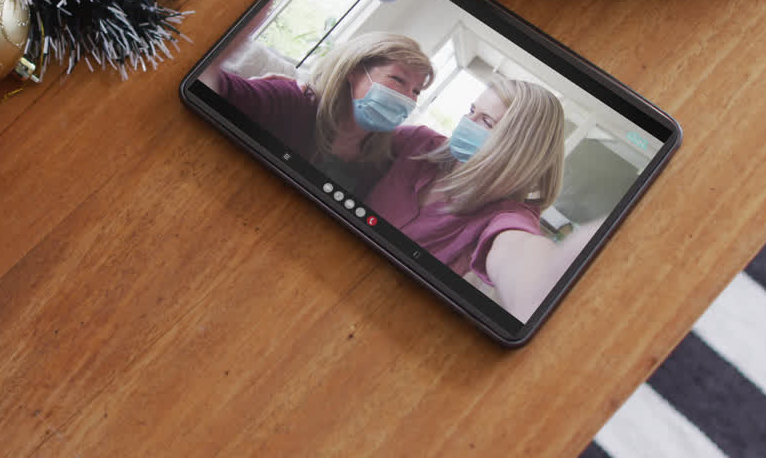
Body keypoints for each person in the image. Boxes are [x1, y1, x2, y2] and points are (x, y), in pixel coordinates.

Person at [366, 78, 567, 321]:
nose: (466, 122)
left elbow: (518, 252)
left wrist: (537, 282)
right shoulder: (419, 143)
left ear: (518, 149)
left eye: (486, 121)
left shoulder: (507, 216)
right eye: (472, 110)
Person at [200, 32, 434, 198]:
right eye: (398, 79)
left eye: (416, 91)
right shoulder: (291, 101)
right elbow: (213, 88)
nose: (407, 97)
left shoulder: (379, 162)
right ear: (354, 71)